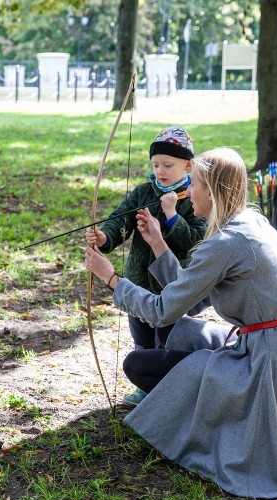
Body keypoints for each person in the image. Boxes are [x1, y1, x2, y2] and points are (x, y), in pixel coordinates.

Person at [84, 147, 277, 500]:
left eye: (195, 184)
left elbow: (159, 310)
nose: (187, 192)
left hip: (270, 365)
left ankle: (208, 421)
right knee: (181, 331)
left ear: (213, 191)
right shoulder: (251, 222)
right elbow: (194, 296)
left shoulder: (228, 242)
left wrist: (111, 278)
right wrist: (158, 243)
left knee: (138, 364)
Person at [84, 126, 207, 406]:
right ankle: (144, 386)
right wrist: (105, 237)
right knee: (141, 335)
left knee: (167, 337)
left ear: (187, 165)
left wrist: (171, 213)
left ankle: (163, 383)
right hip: (139, 280)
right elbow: (120, 220)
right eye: (155, 164)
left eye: (168, 165)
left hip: (171, 286)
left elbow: (195, 240)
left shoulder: (193, 197)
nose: (161, 170)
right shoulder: (143, 192)